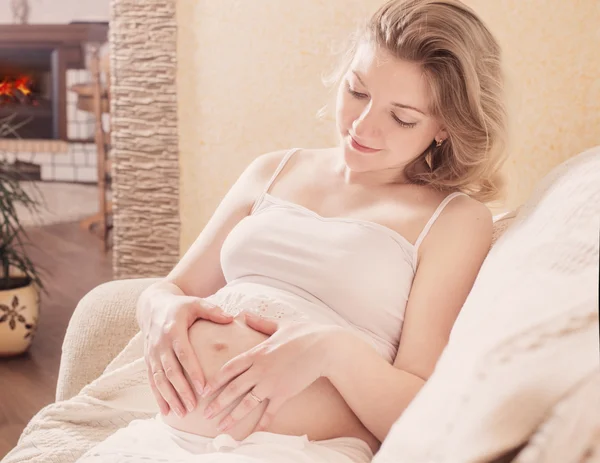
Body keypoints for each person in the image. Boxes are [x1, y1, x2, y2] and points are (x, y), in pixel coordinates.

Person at [78, 0, 508, 461]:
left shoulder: (454, 220)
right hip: (164, 441)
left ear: (444, 127)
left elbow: (421, 412)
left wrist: (331, 350)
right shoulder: (273, 169)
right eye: (357, 91)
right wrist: (159, 309)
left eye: (401, 117)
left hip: (297, 450)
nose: (362, 126)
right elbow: (172, 286)